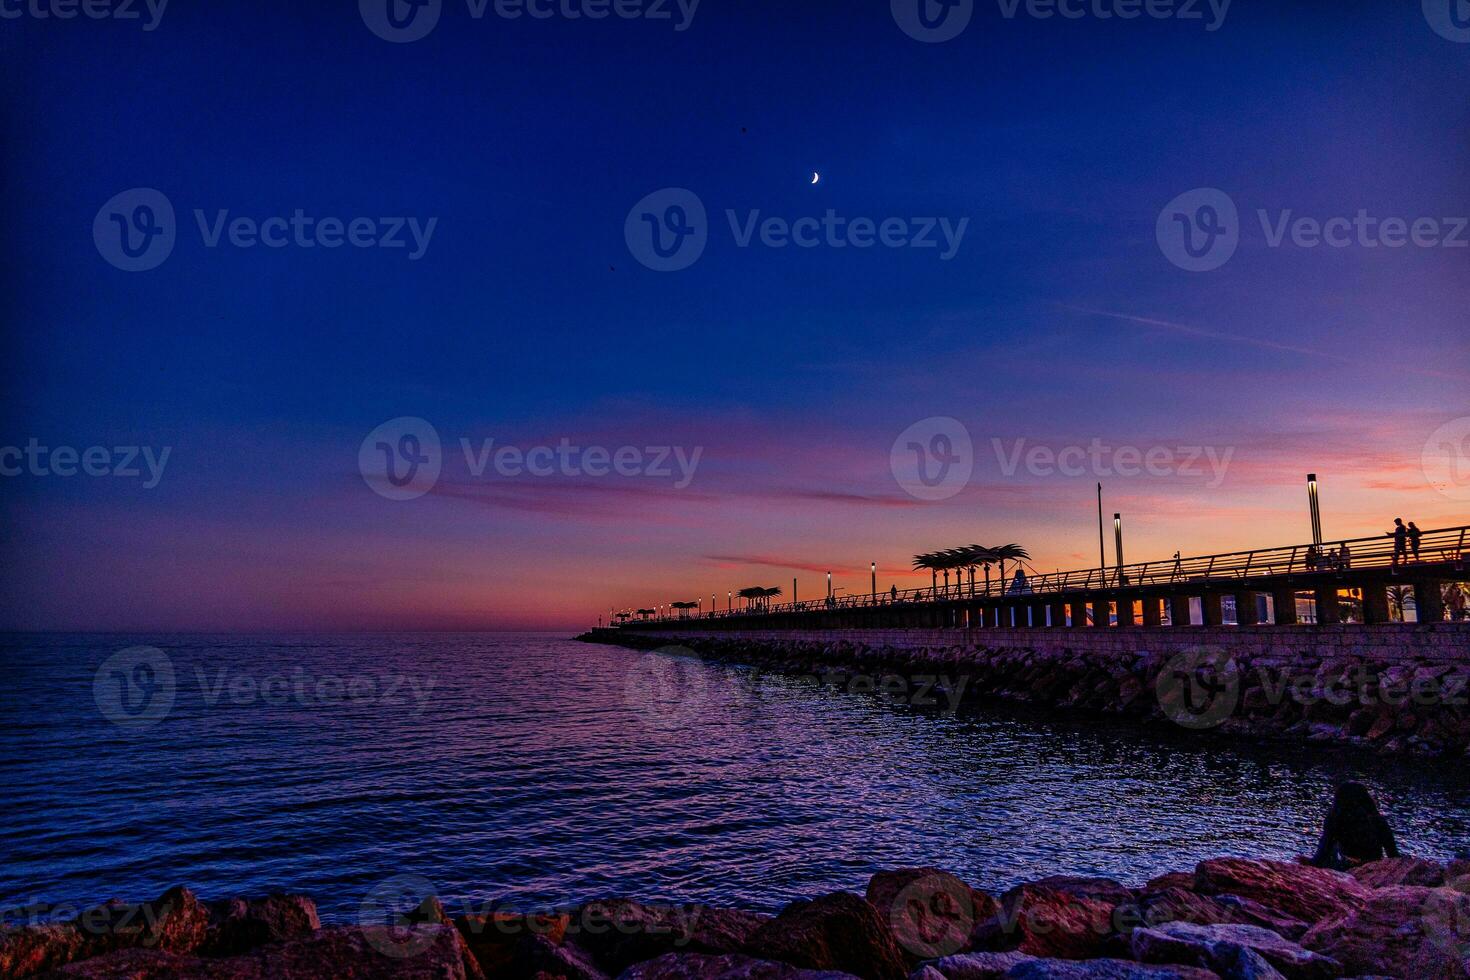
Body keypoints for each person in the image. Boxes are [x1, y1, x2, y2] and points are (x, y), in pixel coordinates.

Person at [1309, 782, 1399, 870]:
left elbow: (1325, 846)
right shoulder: (1377, 819)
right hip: (1373, 864)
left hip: (1346, 865)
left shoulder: (1335, 818)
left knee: (1332, 847)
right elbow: (1392, 853)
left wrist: (1312, 863)